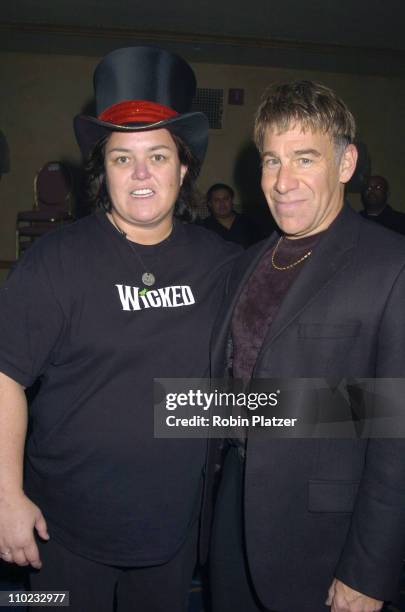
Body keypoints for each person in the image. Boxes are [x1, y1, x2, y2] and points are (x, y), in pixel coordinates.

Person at [0, 46, 237, 612]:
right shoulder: (56, 260)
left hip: (171, 533)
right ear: (101, 171)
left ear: (184, 168)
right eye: (120, 158)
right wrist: (7, 496)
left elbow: (245, 380)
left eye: (157, 156)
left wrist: (358, 412)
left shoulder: (222, 263)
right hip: (61, 532)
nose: (139, 175)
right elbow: (5, 374)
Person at [209, 81, 405, 612]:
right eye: (272, 161)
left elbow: (396, 437)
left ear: (345, 165)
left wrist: (368, 572)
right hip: (233, 507)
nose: (283, 181)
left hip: (323, 537)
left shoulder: (391, 265)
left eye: (304, 158)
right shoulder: (249, 261)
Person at [202, 183, 260, 247]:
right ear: (210, 204)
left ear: (232, 201)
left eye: (226, 199)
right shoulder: (203, 228)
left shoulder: (249, 223)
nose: (222, 204)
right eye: (216, 200)